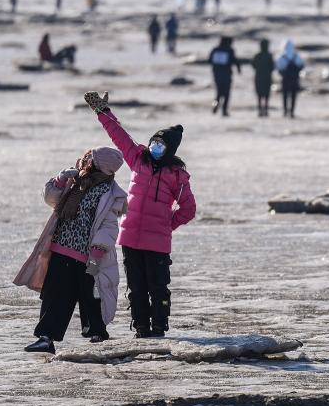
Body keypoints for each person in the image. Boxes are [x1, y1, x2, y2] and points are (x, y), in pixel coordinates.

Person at [83, 91, 197, 338]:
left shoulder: (176, 176)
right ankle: (141, 327)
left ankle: (159, 326)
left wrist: (167, 224)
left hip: (157, 242)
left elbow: (188, 209)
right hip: (131, 239)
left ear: (169, 150)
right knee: (136, 288)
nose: (155, 148)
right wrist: (102, 111)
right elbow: (119, 134)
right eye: (154, 143)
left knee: (157, 287)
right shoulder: (138, 159)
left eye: (161, 146)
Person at [14, 146, 127, 354]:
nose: (84, 159)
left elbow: (109, 227)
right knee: (54, 296)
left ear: (99, 164)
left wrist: (97, 252)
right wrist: (59, 179)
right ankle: (46, 339)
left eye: (89, 157)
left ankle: (98, 334)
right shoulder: (76, 181)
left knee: (91, 295)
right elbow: (51, 198)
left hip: (89, 255)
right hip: (60, 249)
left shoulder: (111, 194)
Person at [208, 37, 240, 116]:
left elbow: (209, 60)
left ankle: (215, 106)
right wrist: (239, 69)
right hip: (227, 75)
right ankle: (224, 110)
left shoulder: (215, 49)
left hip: (217, 75)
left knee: (218, 93)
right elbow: (235, 60)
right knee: (226, 93)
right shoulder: (229, 50)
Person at [276, 40, 305, 118]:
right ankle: (292, 112)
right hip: (295, 80)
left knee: (285, 96)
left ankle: (285, 111)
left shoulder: (282, 57)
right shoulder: (296, 56)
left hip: (285, 80)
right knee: (293, 96)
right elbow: (302, 65)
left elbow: (278, 67)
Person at [251, 39, 275, 117]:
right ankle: (265, 110)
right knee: (266, 95)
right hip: (267, 78)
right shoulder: (269, 55)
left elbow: (253, 65)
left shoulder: (257, 55)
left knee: (259, 95)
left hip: (258, 78)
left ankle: (260, 110)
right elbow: (272, 67)